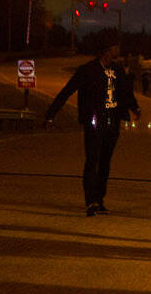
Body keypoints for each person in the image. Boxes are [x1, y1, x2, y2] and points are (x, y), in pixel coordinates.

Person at [44, 35, 141, 216]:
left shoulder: (117, 70)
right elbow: (66, 92)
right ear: (106, 49)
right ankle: (90, 201)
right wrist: (50, 115)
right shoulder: (87, 70)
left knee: (105, 163)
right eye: (114, 47)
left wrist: (134, 107)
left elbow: (125, 92)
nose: (117, 50)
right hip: (95, 121)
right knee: (92, 161)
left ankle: (100, 200)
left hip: (113, 122)